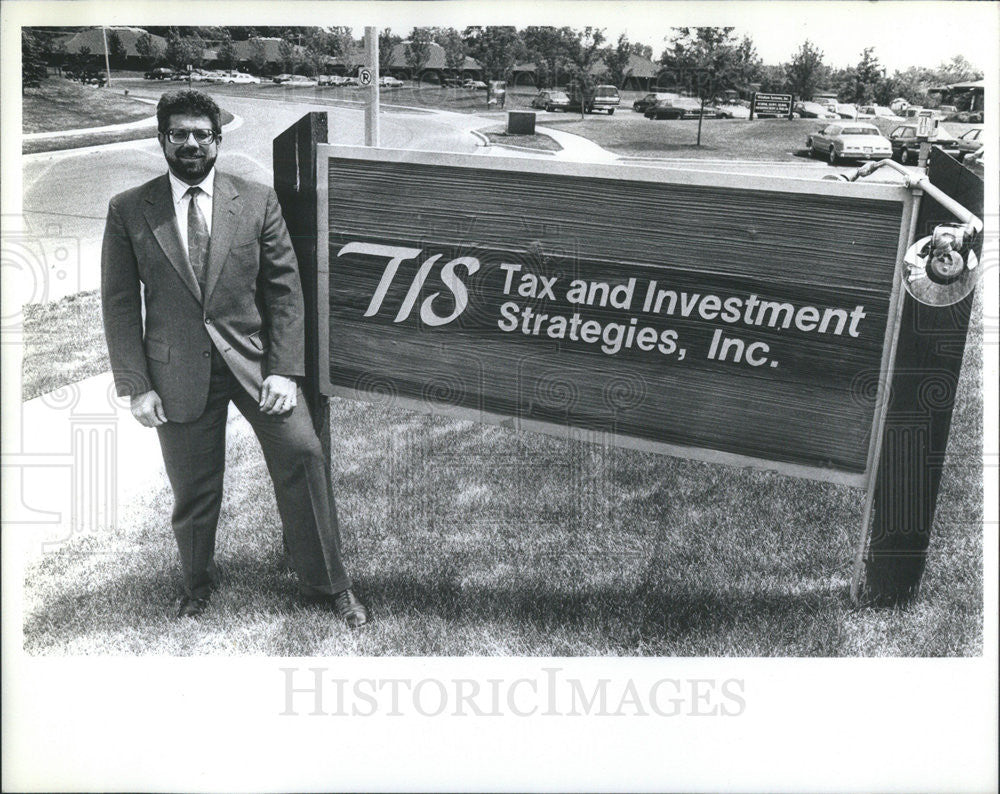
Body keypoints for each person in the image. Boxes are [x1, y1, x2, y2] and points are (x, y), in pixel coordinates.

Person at [101, 90, 368, 626]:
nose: (192, 143)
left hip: (254, 365)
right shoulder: (130, 209)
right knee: (194, 488)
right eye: (180, 134)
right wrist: (136, 385)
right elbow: (120, 303)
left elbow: (285, 292)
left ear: (219, 140)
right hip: (176, 372)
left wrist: (285, 371)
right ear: (162, 139)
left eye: (203, 133)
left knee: (302, 455)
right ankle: (197, 584)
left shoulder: (256, 200)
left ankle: (329, 585)